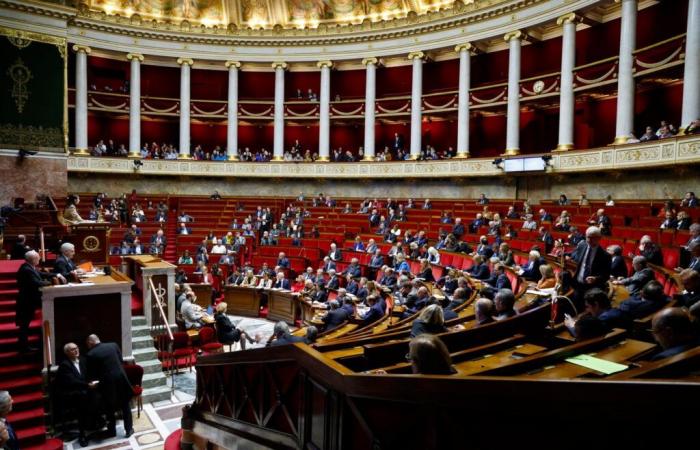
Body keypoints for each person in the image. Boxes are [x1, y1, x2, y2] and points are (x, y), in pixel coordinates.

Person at [85, 334, 134, 438]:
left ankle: (112, 431)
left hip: (107, 383)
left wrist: (95, 383)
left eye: (87, 343)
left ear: (90, 342)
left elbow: (93, 373)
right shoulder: (113, 345)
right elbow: (120, 361)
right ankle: (129, 430)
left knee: (109, 407)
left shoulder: (90, 354)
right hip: (121, 378)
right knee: (125, 404)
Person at [17, 251, 63, 352]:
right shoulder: (26, 269)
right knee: (24, 324)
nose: (39, 259)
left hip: (28, 300)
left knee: (24, 324)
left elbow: (41, 273)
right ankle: (23, 347)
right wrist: (50, 283)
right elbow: (36, 282)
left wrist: (57, 274)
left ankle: (23, 345)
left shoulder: (30, 267)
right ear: (33, 259)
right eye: (38, 258)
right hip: (26, 302)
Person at [56, 342, 98, 447]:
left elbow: (88, 374)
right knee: (81, 400)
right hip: (72, 393)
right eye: (73, 349)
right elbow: (72, 382)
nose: (76, 350)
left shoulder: (83, 360)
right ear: (67, 352)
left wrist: (91, 382)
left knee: (96, 395)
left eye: (77, 348)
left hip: (85, 390)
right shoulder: (64, 365)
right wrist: (88, 385)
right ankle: (82, 434)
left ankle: (94, 423)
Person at [572, 226, 611, 295]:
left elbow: (606, 275)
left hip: (592, 288)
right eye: (588, 237)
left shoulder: (605, 256)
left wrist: (596, 279)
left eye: (592, 238)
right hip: (577, 284)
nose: (589, 240)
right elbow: (576, 257)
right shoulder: (582, 246)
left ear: (599, 238)